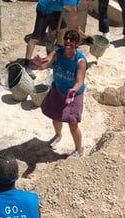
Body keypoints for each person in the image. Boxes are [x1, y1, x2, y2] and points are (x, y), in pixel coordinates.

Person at [34, 29, 87, 158]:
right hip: (58, 90)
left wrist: (73, 90)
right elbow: (46, 63)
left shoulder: (80, 61)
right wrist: (40, 65)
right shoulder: (57, 52)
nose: (68, 41)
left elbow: (79, 81)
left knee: (72, 124)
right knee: (56, 117)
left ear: (76, 43)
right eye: (66, 38)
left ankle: (79, 150)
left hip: (73, 95)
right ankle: (58, 135)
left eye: (72, 39)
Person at [24, 0, 86, 79]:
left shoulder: (75, 2)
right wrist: (85, 36)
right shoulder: (72, 3)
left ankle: (56, 56)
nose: (88, 2)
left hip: (54, 10)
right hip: (44, 9)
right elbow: (74, 26)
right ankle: (27, 65)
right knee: (35, 39)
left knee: (62, 29)